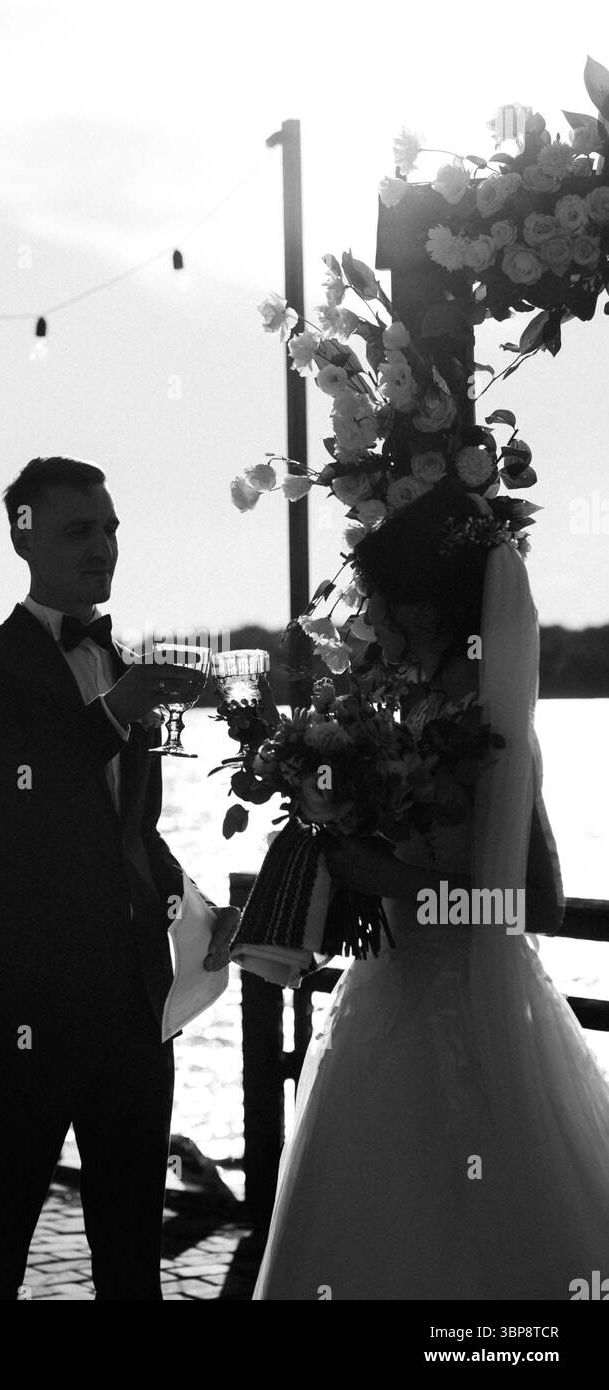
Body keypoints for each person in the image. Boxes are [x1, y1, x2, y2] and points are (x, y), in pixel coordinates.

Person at [251, 485, 609, 1300]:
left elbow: (537, 907)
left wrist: (392, 881)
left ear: (427, 605)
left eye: (378, 598)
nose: (368, 615)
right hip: (386, 994)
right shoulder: (410, 711)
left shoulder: (489, 726)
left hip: (465, 1014)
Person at [0, 455, 238, 1300]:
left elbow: (131, 833)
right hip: (25, 997)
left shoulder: (122, 662)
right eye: (80, 530)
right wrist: (117, 711)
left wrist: (202, 911)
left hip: (135, 999)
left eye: (110, 528)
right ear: (22, 538)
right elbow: (15, 809)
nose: (103, 545)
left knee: (129, 1242)